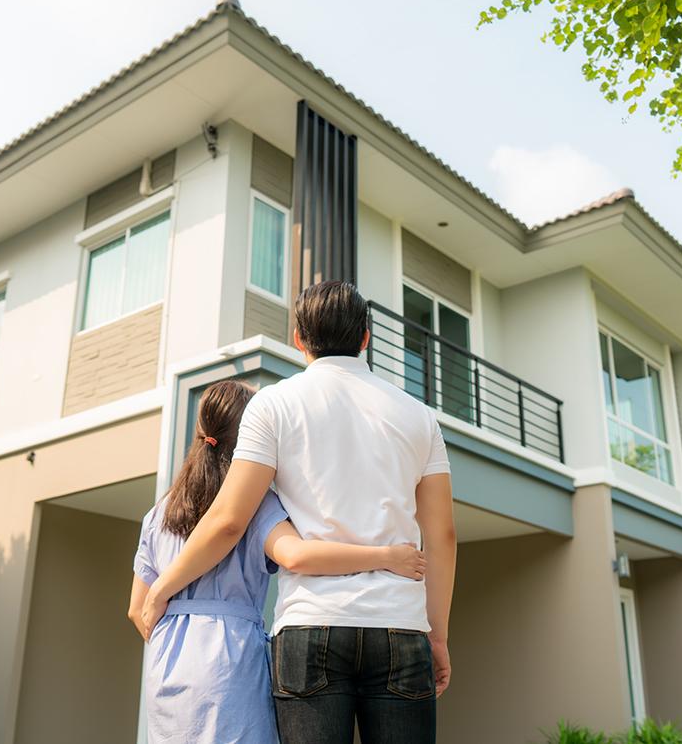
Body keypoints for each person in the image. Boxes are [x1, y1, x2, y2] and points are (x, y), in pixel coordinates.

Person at [141, 281, 457, 744]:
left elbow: (229, 519)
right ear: (366, 337)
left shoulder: (274, 404)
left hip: (311, 626)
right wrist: (437, 636)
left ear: (298, 338)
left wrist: (163, 588)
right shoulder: (419, 416)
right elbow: (443, 535)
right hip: (399, 624)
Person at [128, 379, 428, 744]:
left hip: (168, 658)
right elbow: (297, 555)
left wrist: (176, 632)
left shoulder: (159, 512)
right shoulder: (254, 503)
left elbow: (136, 609)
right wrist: (386, 556)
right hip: (229, 658)